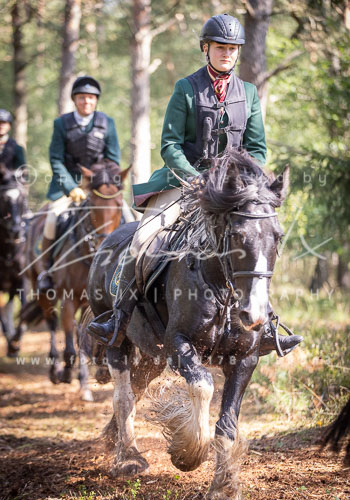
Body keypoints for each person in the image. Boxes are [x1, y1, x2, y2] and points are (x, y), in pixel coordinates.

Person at [88, 14, 303, 356]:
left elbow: (257, 148)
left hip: (231, 190)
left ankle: (268, 325)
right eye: (220, 48)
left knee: (260, 239)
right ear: (206, 49)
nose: (227, 54)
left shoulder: (247, 93)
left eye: (232, 49)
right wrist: (194, 177)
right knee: (144, 238)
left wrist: (240, 179)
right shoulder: (186, 88)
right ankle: (118, 318)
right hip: (185, 182)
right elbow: (170, 145)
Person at [37, 76, 122, 292]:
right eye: (82, 98)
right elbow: (56, 158)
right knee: (53, 217)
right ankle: (45, 270)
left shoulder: (107, 123)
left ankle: (125, 270)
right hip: (69, 184)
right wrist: (70, 187)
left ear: (96, 101)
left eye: (91, 98)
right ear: (75, 100)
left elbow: (113, 159)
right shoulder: (61, 123)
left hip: (99, 186)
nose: (87, 102)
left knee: (129, 217)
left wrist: (101, 181)